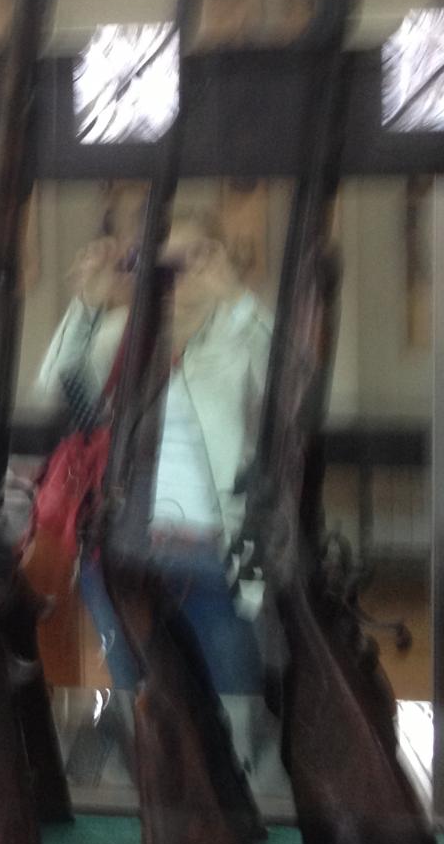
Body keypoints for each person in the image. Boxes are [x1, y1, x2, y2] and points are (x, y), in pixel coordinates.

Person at [36, 204, 271, 699]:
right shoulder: (123, 334)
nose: (174, 277)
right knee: (140, 708)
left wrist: (235, 296)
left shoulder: (237, 332)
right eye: (160, 264)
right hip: (126, 557)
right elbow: (59, 388)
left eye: (189, 260)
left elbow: (293, 386)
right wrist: (88, 305)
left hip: (217, 556)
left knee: (237, 708)